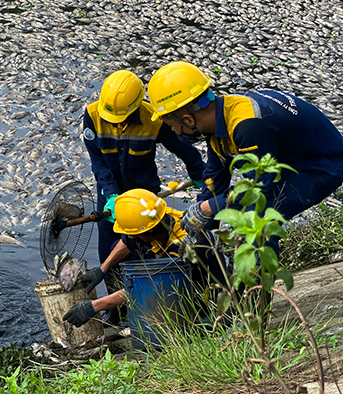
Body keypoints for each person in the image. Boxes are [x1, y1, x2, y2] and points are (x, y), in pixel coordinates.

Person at [146, 61, 343, 253]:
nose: (174, 132)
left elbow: (258, 188)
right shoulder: (217, 119)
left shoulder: (248, 125)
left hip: (321, 166)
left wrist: (207, 208)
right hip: (285, 162)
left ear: (188, 120)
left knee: (254, 215)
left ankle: (258, 272)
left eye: (172, 126)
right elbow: (214, 181)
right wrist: (199, 227)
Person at [82, 69, 207, 323]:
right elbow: (98, 162)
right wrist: (111, 195)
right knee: (109, 252)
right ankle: (117, 313)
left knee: (146, 256)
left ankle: (147, 304)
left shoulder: (153, 119)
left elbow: (184, 149)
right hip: (109, 196)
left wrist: (201, 177)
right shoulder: (93, 115)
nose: (116, 123)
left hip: (143, 196)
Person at [63, 189, 225, 328]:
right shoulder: (158, 217)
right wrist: (101, 270)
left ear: (144, 235)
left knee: (164, 296)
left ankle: (198, 319)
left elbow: (150, 285)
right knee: (116, 249)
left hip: (201, 295)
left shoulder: (181, 245)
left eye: (134, 235)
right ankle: (119, 310)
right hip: (170, 272)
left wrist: (95, 306)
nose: (130, 238)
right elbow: (125, 243)